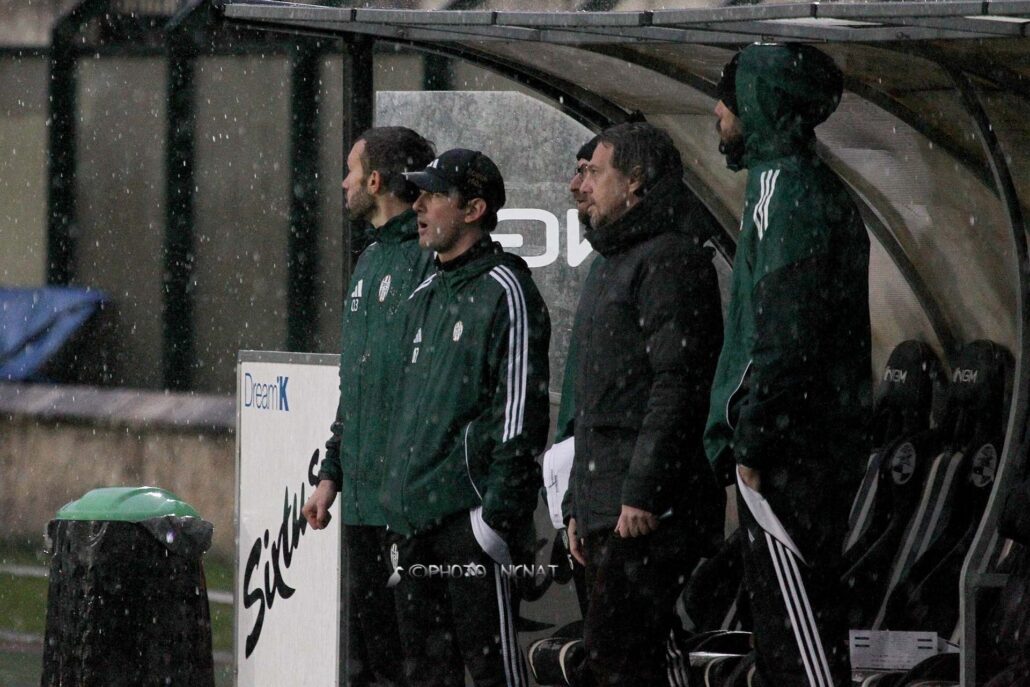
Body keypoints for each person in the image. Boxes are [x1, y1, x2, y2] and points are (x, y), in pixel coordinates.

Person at [705, 43, 872, 687]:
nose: (718, 113)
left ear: (760, 104)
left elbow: (784, 335)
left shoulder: (787, 190)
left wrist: (752, 443)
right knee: (790, 636)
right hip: (801, 448)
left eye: (728, 98)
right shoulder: (790, 184)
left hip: (790, 455)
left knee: (800, 645)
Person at [558, 122, 726, 687]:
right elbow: (596, 403)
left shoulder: (671, 260)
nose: (579, 185)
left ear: (634, 182)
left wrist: (644, 492)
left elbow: (678, 384)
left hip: (645, 511)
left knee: (622, 661)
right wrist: (578, 503)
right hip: (607, 503)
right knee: (611, 660)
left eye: (593, 172)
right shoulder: (612, 262)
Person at [378, 148, 551, 687]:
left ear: (474, 210)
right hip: (413, 525)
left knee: (493, 674)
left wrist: (493, 523)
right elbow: (404, 410)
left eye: (433, 196)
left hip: (468, 524)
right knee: (427, 676)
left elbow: (519, 415)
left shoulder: (507, 289)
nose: (418, 205)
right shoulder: (424, 292)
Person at [301, 126, 436, 687]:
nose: (343, 183)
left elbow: (429, 388)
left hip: (405, 505)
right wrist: (331, 473)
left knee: (414, 663)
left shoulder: (429, 262)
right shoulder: (369, 261)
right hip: (359, 503)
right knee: (368, 664)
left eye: (351, 171)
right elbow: (356, 386)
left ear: (375, 181)